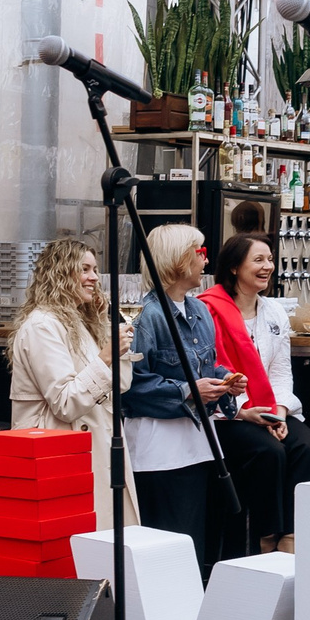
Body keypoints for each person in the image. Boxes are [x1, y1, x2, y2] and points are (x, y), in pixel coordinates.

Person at [204, 233, 310, 555]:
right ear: (234, 267)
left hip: (270, 407)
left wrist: (279, 413)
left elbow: (281, 372)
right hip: (227, 414)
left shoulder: (273, 311)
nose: (268, 266)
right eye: (258, 260)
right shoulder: (208, 311)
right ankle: (265, 537)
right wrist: (244, 412)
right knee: (269, 452)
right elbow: (208, 371)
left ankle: (296, 535)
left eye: (270, 259)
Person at [119, 224, 236, 556]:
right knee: (170, 543)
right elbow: (131, 385)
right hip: (160, 449)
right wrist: (189, 390)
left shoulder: (199, 310)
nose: (206, 260)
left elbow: (206, 367)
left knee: (194, 539)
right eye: (200, 253)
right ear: (179, 259)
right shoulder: (147, 316)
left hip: (198, 442)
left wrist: (226, 380)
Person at [8, 237, 135, 529]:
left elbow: (122, 385)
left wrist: (109, 331)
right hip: (60, 452)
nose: (94, 278)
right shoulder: (42, 325)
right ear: (60, 274)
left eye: (95, 270)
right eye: (84, 269)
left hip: (93, 446)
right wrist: (106, 356)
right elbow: (65, 403)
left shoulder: (80, 320)